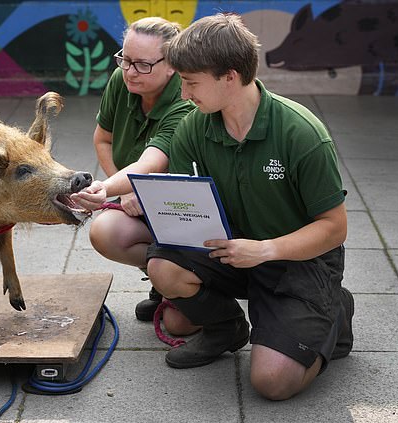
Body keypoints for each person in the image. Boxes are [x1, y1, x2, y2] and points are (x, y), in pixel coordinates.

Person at [140, 13, 353, 400]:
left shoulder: (301, 133)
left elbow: (335, 228)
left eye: (190, 83)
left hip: (297, 260)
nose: (184, 94)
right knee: (164, 270)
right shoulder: (194, 127)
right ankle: (227, 329)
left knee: (272, 384)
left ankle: (334, 312)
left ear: (230, 76)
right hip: (232, 248)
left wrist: (266, 250)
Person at [77, 17, 196, 333]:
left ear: (171, 65)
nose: (129, 71)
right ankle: (163, 277)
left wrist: (108, 187)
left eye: (142, 64)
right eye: (125, 59)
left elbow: (151, 163)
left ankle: (195, 281)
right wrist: (125, 189)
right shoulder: (122, 80)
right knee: (103, 232)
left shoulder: (185, 99)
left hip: (183, 209)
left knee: (179, 325)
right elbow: (102, 139)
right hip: (141, 198)